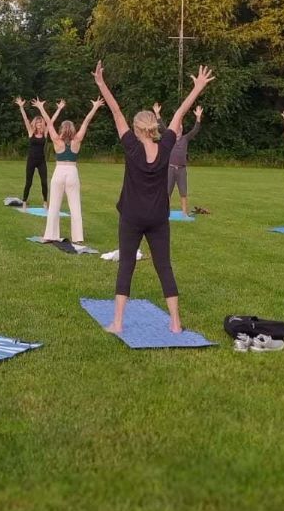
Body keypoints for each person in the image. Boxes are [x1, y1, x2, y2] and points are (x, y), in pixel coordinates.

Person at [92, 62, 215, 333]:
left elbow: (115, 111)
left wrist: (101, 84)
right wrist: (197, 87)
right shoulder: (168, 144)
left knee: (126, 265)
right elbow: (181, 113)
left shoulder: (131, 146)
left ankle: (118, 323)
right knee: (164, 267)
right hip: (158, 217)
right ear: (153, 128)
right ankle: (175, 323)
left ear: (137, 129)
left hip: (132, 216)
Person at [33, 96, 104, 245]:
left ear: (61, 129)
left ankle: (50, 235)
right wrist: (95, 107)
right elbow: (86, 122)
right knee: (75, 206)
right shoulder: (76, 140)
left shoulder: (57, 141)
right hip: (72, 172)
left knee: (54, 206)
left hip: (59, 171)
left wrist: (41, 108)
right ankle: (78, 238)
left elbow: (50, 124)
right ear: (72, 129)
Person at [153, 101, 203, 216]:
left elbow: (195, 130)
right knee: (167, 193)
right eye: (177, 128)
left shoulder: (185, 138)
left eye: (180, 128)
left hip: (181, 170)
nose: (179, 129)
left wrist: (198, 117)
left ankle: (184, 213)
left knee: (183, 193)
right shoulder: (169, 136)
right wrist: (157, 113)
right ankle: (165, 213)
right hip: (169, 169)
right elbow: (161, 127)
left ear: (182, 129)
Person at [14, 96, 64, 208]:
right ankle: (24, 201)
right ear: (35, 124)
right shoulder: (31, 132)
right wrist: (21, 107)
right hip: (31, 160)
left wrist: (59, 109)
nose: (39, 124)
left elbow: (51, 121)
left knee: (44, 182)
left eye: (41, 122)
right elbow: (25, 119)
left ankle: (45, 202)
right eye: (37, 123)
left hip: (41, 160)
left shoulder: (45, 133)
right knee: (29, 182)